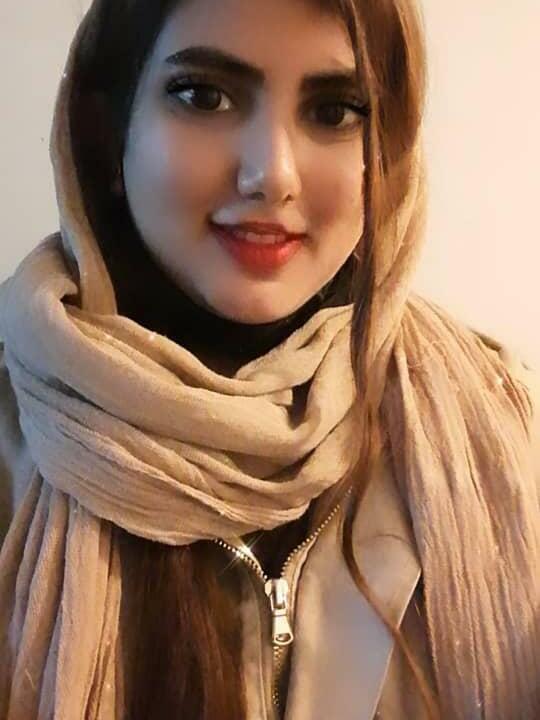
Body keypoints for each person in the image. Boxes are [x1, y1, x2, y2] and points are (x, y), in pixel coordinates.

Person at [0, 0, 538, 718]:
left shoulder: (504, 430)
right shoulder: (12, 435)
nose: (273, 175)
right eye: (204, 96)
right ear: (105, 131)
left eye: (335, 110)